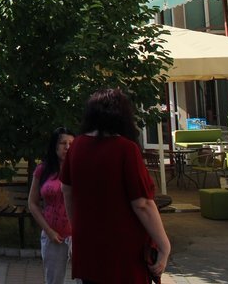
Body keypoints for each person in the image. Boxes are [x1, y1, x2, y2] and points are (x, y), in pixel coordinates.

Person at [60, 89, 171, 283]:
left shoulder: (76, 146)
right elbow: (142, 204)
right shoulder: (126, 149)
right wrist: (164, 245)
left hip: (89, 247)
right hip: (123, 251)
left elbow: (66, 191)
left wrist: (77, 229)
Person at [29, 127, 75, 284]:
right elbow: (32, 203)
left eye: (71, 143)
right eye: (63, 143)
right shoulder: (43, 170)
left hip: (79, 236)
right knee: (53, 281)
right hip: (53, 236)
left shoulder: (82, 168)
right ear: (54, 146)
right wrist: (48, 231)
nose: (67, 147)